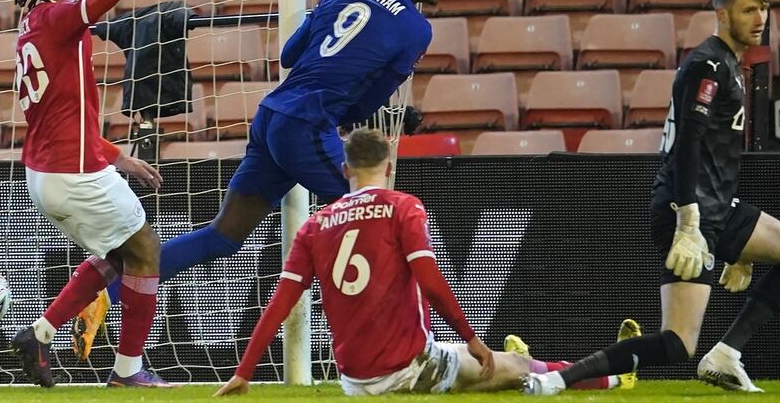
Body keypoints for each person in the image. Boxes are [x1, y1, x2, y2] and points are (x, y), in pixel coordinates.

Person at [71, 0, 446, 358]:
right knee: (382, 220)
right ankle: (407, 348)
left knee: (224, 235)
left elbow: (289, 54)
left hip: (272, 116)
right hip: (307, 125)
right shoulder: (417, 31)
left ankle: (104, 296)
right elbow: (362, 109)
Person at [522, 0, 780, 396]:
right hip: (688, 208)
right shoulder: (709, 63)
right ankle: (556, 378)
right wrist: (689, 220)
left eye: (763, 9)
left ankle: (725, 356)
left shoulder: (731, 64)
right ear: (722, 13)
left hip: (718, 207)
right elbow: (687, 145)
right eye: (749, 9)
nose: (760, 18)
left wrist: (740, 249)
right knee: (677, 343)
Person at [213, 128, 627, 396]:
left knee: (493, 359)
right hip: (408, 368)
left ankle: (519, 357)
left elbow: (281, 303)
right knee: (518, 372)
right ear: (389, 167)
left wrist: (245, 371)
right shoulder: (401, 206)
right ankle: (611, 375)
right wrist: (470, 336)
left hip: (355, 381)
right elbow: (430, 281)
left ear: (345, 170)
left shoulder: (316, 224)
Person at [7, 0, 176, 388]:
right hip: (71, 171)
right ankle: (128, 371)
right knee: (145, 249)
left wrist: (117, 156)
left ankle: (40, 333)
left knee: (117, 253)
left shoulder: (34, 25)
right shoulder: (61, 18)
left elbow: (61, 115)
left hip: (49, 170)